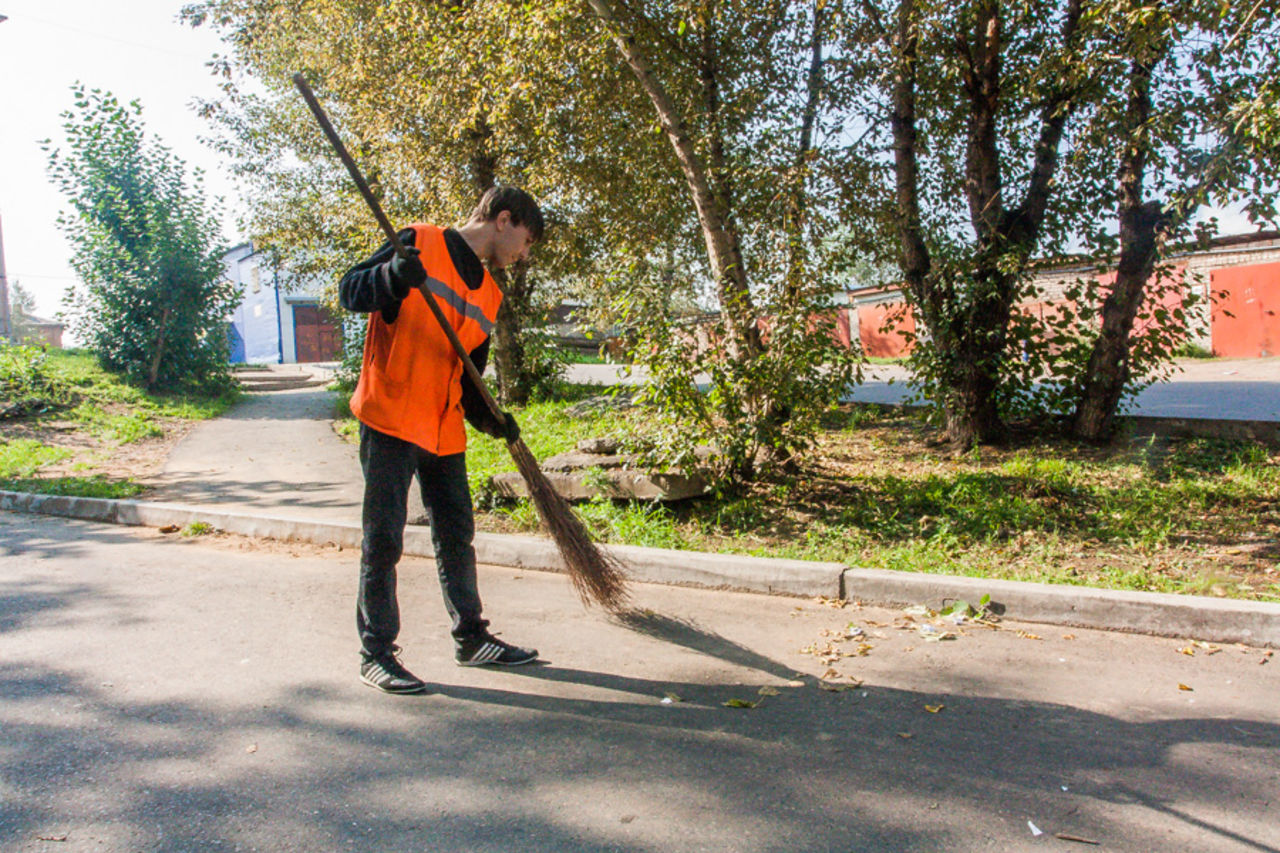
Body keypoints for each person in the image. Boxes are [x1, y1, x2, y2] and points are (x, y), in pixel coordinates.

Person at [339, 186, 544, 694]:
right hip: (391, 414)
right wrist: (391, 276)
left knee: (456, 535)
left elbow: (469, 376)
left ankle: (471, 638)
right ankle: (377, 654)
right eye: (526, 240)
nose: (524, 253)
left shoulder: (489, 296)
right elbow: (349, 291)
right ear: (503, 219)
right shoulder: (418, 243)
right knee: (383, 539)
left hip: (443, 426)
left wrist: (494, 422)